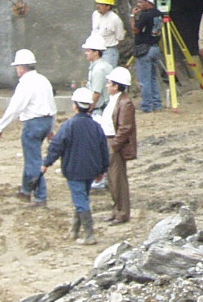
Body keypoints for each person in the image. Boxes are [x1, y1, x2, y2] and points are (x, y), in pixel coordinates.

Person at [44, 87, 110, 245]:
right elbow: (104, 150)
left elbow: (57, 146)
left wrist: (46, 163)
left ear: (75, 105)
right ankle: (74, 230)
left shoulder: (69, 125)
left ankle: (89, 234)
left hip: (74, 170)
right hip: (91, 170)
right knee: (82, 197)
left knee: (81, 200)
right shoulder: (96, 126)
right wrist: (102, 169)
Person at [0, 48, 56, 205]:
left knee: (33, 161)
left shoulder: (25, 84)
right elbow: (52, 104)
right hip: (46, 121)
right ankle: (25, 190)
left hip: (33, 123)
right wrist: (51, 128)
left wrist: (1, 125)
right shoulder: (44, 80)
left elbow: (15, 108)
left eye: (17, 67)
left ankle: (40, 195)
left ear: (22, 68)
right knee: (32, 156)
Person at [103, 67, 137, 224]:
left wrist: (114, 146)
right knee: (111, 179)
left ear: (116, 86)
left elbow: (125, 128)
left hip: (114, 143)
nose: (107, 86)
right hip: (110, 140)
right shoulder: (115, 100)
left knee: (118, 180)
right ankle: (116, 209)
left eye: (109, 83)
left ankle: (122, 212)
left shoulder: (125, 103)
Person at [130, 0, 163, 112]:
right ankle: (157, 104)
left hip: (145, 50)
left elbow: (135, 30)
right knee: (153, 78)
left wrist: (133, 16)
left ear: (147, 2)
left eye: (140, 2)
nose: (138, 4)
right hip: (155, 47)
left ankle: (147, 106)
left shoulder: (145, 15)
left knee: (145, 80)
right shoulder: (159, 13)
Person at [91, 0, 124, 69]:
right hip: (95, 50)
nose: (98, 6)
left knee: (107, 73)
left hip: (108, 51)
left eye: (101, 4)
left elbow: (120, 38)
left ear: (108, 6)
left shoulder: (115, 19)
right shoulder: (95, 14)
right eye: (97, 3)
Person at [83, 37, 113, 111]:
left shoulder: (98, 69)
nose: (85, 53)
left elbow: (96, 93)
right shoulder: (107, 66)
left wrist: (89, 110)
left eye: (88, 51)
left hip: (100, 109)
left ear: (96, 52)